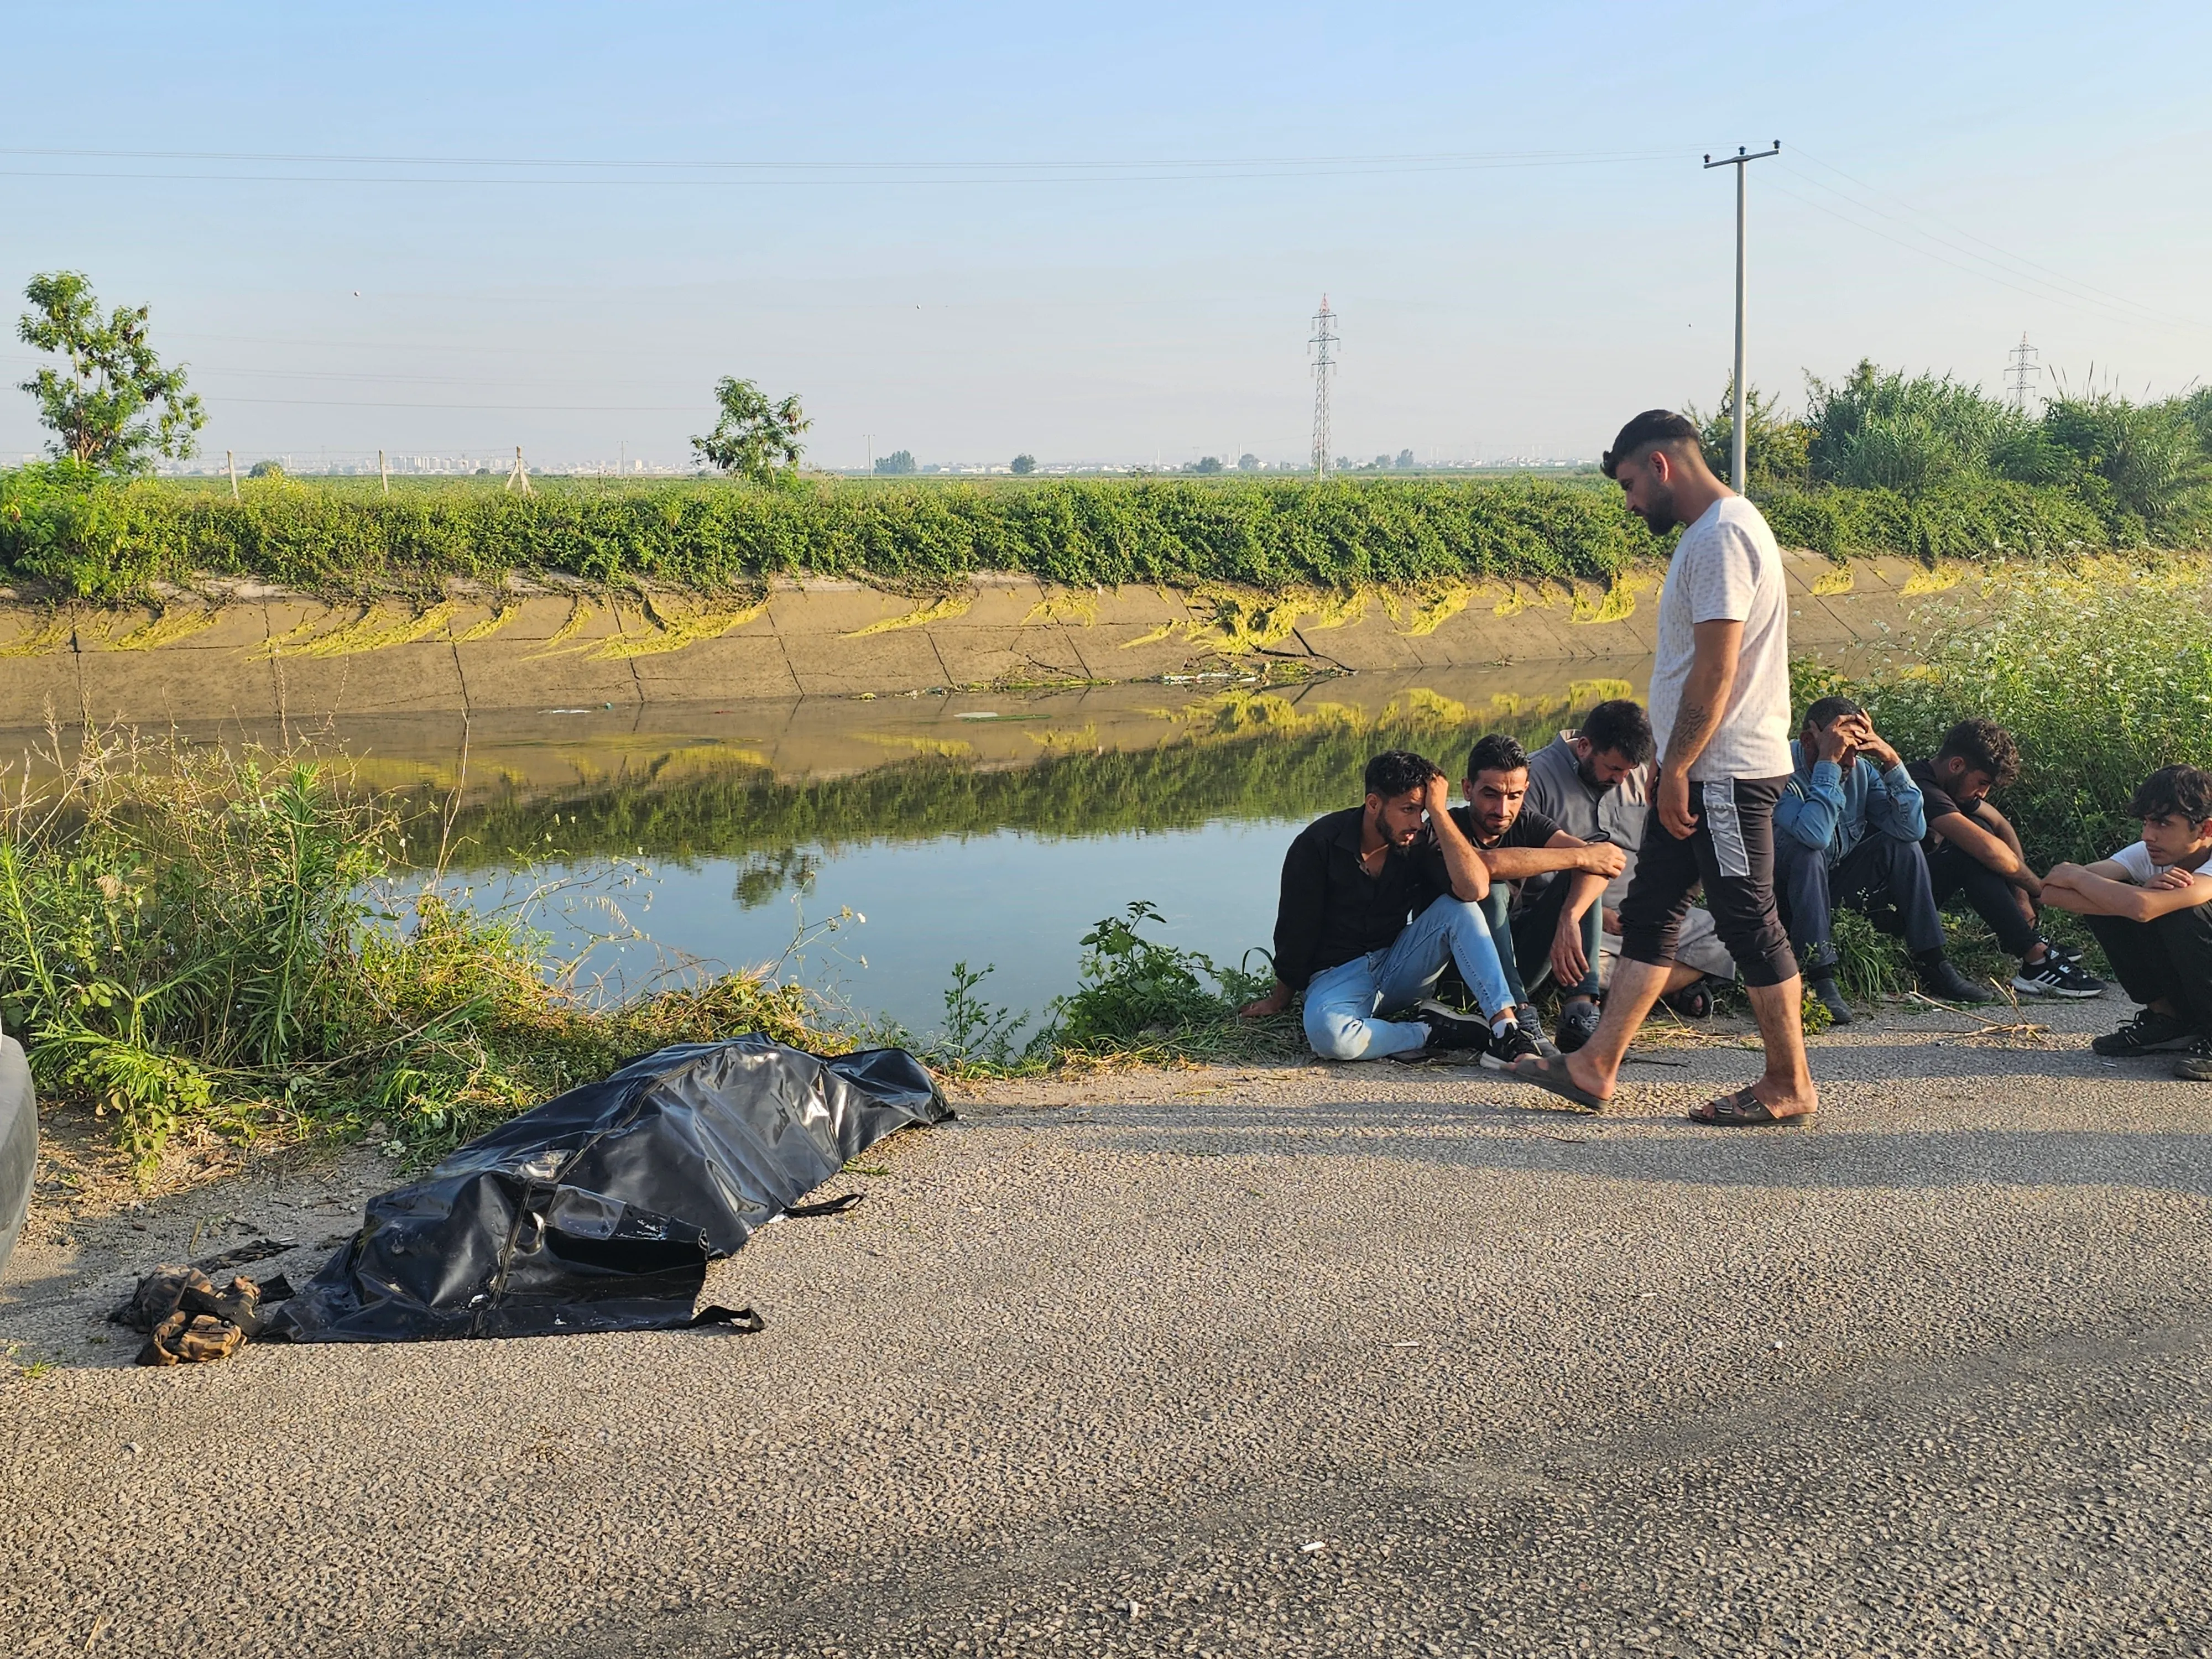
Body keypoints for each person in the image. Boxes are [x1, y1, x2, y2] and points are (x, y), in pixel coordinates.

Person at [1513, 409, 1815, 1126]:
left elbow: (1717, 668)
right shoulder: (1711, 536)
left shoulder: (1723, 536)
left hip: (1727, 771)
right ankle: (1595, 1068)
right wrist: (1679, 768)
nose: (1628, 502)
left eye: (1628, 484)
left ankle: (1789, 1083)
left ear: (1660, 467)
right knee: (1651, 913)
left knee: (1748, 919)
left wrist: (1675, 766)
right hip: (1703, 769)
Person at [1236, 749, 1542, 1068]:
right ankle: (1431, 1031)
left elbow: (1475, 889)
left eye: (1421, 811)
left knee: (1460, 911)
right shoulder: (1318, 844)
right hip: (1336, 977)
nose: (1416, 822)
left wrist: (1438, 812)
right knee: (1330, 1037)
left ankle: (1506, 1029)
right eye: (1408, 809)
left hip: (1398, 963)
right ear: (1373, 804)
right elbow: (1294, 929)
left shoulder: (1418, 838)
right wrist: (1280, 998)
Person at [1522, 698, 1738, 1052]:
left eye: (1628, 771)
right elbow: (1532, 877)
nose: (1621, 779)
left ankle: (1619, 1005)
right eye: (1613, 769)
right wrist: (1600, 916)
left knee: (1724, 933)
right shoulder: (1536, 778)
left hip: (1640, 915)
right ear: (1585, 747)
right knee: (1583, 957)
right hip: (1575, 920)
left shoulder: (1639, 775)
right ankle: (1623, 996)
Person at [1772, 695, 1992, 1021]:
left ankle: (1933, 961)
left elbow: (1912, 830)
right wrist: (1827, 767)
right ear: (1808, 740)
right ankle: (1821, 976)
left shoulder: (1860, 771)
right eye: (1841, 750)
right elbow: (1816, 835)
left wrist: (1891, 761)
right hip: (1784, 899)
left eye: (1855, 751)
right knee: (1808, 853)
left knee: (1902, 846)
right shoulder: (1778, 771)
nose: (1850, 763)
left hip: (1832, 886)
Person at [1448, 733, 1626, 1054]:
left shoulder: (1527, 822)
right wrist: (1580, 855)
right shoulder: (1446, 830)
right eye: (1490, 794)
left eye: (1514, 796)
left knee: (1583, 878)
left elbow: (1604, 862)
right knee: (1492, 890)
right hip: (1463, 978)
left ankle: (1580, 1014)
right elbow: (1484, 867)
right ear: (1467, 789)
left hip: (1521, 963)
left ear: (1526, 791)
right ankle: (1517, 1014)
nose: (1502, 809)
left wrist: (1570, 917)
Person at [1909, 717, 2105, 1000]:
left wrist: (2022, 898)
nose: (1983, 794)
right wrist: (2043, 890)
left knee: (1985, 829)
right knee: (1971, 851)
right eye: (1982, 783)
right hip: (1882, 903)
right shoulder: (1919, 785)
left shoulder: (1952, 785)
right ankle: (2036, 958)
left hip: (1916, 892)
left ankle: (2033, 948)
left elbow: (2002, 827)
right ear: (1956, 765)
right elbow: (1988, 851)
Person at [2039, 764, 2212, 1080]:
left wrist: (2082, 877)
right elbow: (2051, 891)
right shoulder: (2153, 851)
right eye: (2146, 822)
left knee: (2185, 911)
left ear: (2205, 830)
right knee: (2108, 901)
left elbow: (2144, 909)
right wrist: (2128, 893)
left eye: (2162, 823)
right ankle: (2171, 1021)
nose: (2148, 835)